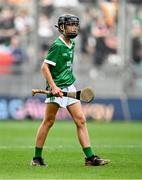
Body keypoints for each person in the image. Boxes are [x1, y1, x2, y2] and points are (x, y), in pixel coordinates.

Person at [31, 14, 110, 167]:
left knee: (81, 120)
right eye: (70, 25)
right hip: (57, 87)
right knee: (48, 122)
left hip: (69, 86)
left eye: (75, 25)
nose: (74, 27)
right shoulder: (58, 45)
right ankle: (36, 158)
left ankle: (90, 158)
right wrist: (53, 87)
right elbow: (44, 67)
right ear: (62, 27)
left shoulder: (72, 43)